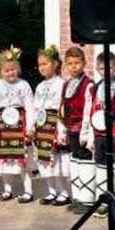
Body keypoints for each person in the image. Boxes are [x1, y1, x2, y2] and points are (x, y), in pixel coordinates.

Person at [80, 51, 115, 211]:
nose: (105, 71)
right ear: (97, 69)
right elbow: (88, 112)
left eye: (109, 68)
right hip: (99, 134)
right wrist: (87, 135)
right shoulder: (93, 89)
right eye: (101, 68)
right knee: (101, 165)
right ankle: (103, 200)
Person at [0, 47, 35, 202]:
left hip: (19, 126)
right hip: (2, 127)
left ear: (18, 69)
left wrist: (30, 127)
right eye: (7, 70)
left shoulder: (24, 85)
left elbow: (30, 106)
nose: (10, 73)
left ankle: (28, 191)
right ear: (0, 71)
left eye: (13, 69)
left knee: (23, 159)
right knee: (4, 158)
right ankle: (7, 190)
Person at [32, 46, 69, 206]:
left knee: (58, 160)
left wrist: (62, 129)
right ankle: (51, 191)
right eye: (40, 65)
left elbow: (63, 108)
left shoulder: (62, 84)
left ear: (55, 64)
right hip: (41, 126)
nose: (42, 67)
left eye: (45, 64)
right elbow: (35, 108)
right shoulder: (39, 86)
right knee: (44, 159)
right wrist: (32, 126)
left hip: (55, 124)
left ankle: (64, 192)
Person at [61, 46, 95, 213]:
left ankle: (88, 200)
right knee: (74, 162)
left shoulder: (88, 85)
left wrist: (86, 133)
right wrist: (63, 129)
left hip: (83, 130)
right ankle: (78, 197)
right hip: (71, 130)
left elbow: (89, 110)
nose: (73, 66)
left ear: (84, 63)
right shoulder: (66, 85)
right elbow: (63, 108)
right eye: (70, 63)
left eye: (77, 63)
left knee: (85, 163)